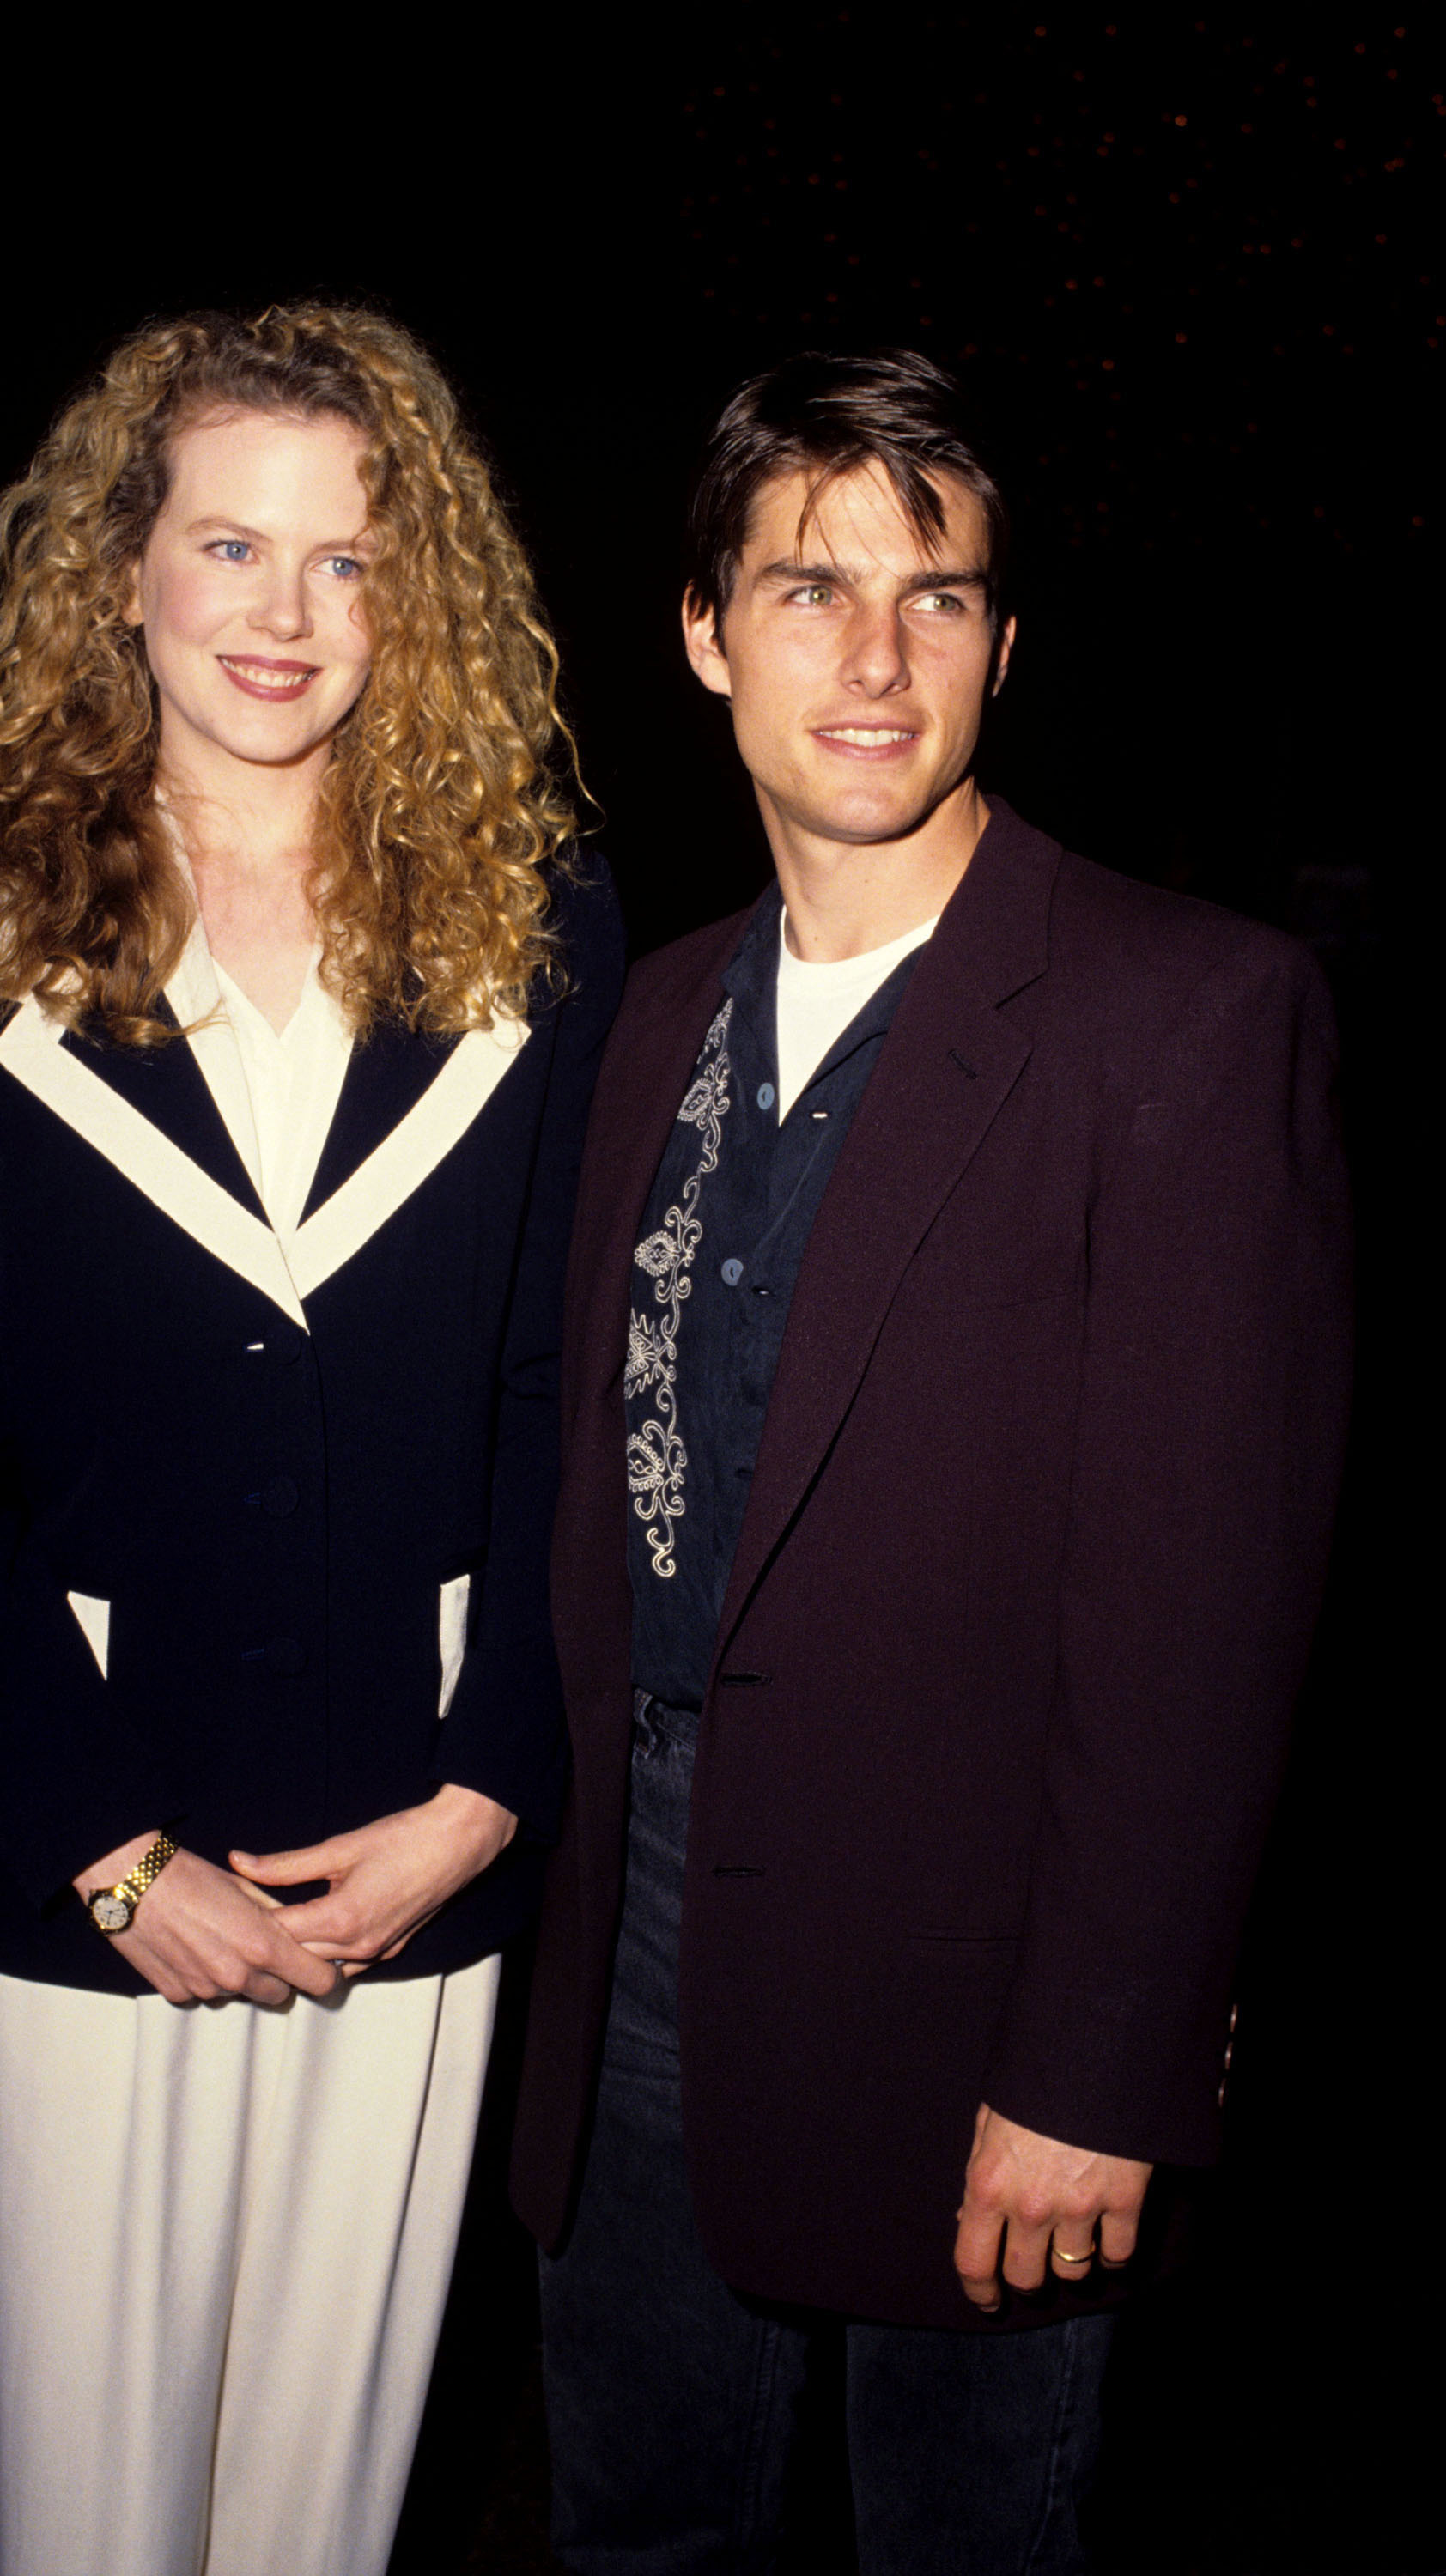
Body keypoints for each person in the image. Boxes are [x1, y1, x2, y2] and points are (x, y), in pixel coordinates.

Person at [510, 349, 1352, 2573]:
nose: (873, 660)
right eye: (808, 590)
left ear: (1000, 642)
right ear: (702, 632)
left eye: (937, 596)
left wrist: (1100, 2066)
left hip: (972, 2001)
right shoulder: (645, 1013)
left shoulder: (1183, 1013)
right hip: (625, 1992)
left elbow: (1203, 1613)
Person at [0, 301, 622, 2576]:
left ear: (418, 596)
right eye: (228, 545)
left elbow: (544, 1407)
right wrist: (111, 1855)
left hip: (411, 1870)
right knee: (96, 2529)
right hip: (87, 1879)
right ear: (119, 570)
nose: (286, 617)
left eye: (348, 560)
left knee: (326, 2522)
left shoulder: (537, 932)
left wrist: (485, 1797)